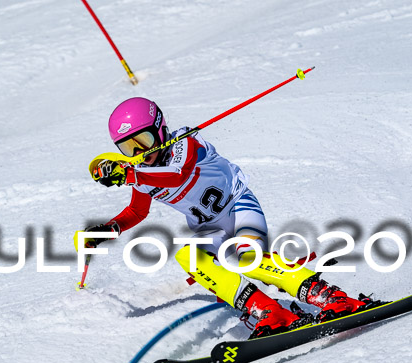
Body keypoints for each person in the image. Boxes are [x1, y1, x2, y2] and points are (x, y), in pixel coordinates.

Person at [82, 97, 379, 338]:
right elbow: (138, 211)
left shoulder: (185, 146)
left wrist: (130, 171)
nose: (139, 153)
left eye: (144, 142)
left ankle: (331, 298)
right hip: (208, 230)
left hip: (239, 208)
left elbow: (176, 176)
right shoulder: (142, 175)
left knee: (244, 256)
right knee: (189, 256)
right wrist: (108, 229)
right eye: (128, 148)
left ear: (160, 130)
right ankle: (268, 311)